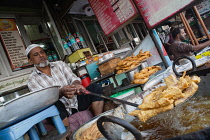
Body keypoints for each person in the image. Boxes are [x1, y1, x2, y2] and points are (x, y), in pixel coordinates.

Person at [25, 44, 104, 132]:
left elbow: (73, 78)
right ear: (30, 60)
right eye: (36, 55)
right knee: (54, 104)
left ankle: (98, 121)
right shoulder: (32, 80)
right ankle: (68, 134)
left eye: (42, 52)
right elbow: (43, 101)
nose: (41, 55)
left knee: (95, 87)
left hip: (76, 102)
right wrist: (60, 93)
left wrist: (76, 85)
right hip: (61, 112)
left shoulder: (60, 64)